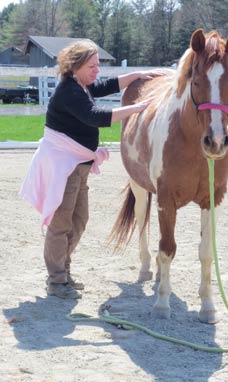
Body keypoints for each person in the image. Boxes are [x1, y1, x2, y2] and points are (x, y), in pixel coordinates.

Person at [20, 39, 162, 300]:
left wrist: (137, 76)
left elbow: (105, 86)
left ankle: (63, 271)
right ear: (75, 66)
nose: (97, 71)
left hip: (77, 166)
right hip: (65, 167)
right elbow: (95, 116)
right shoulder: (69, 92)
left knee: (79, 220)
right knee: (61, 224)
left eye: (98, 65)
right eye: (92, 66)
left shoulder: (80, 86)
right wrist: (138, 108)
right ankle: (57, 280)